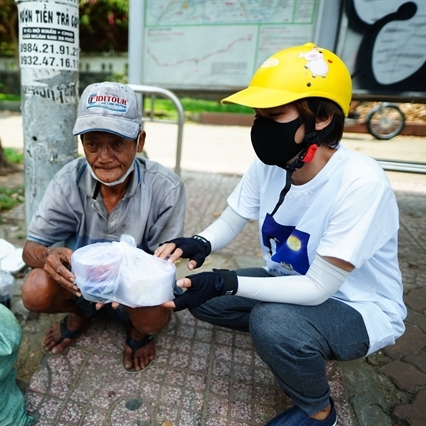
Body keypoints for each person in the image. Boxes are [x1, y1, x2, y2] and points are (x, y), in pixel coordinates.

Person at [156, 43, 406, 425]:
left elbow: (319, 288)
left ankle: (319, 410)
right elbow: (232, 219)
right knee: (200, 296)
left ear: (321, 117)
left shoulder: (361, 181)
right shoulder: (274, 164)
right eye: (258, 115)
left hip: (358, 307)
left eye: (273, 114)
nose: (260, 126)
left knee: (271, 322)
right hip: (290, 282)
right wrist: (201, 242)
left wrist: (228, 280)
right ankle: (300, 341)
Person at [21, 81, 186, 372]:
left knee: (156, 310)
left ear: (140, 141)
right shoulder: (67, 180)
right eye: (93, 143)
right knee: (35, 289)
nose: (105, 158)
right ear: (82, 143)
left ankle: (138, 332)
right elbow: (30, 249)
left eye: (118, 143)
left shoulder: (166, 188)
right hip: (83, 285)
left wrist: (124, 288)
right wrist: (48, 256)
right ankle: (80, 315)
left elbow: (164, 268)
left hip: (137, 288)